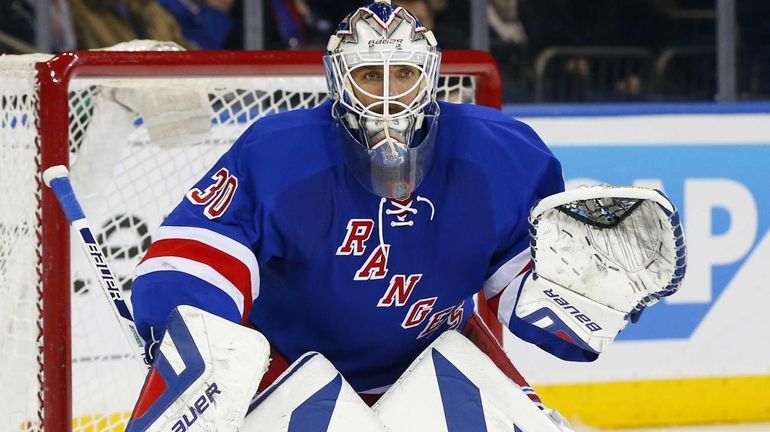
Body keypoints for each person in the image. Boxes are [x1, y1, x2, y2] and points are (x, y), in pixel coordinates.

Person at [129, 0, 682, 424]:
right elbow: (193, 260)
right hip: (291, 371)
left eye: (404, 76)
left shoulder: (501, 155)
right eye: (371, 76)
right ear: (339, 80)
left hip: (433, 361)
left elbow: (530, 298)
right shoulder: (280, 154)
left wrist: (585, 306)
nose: (388, 95)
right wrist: (190, 337)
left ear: (431, 77)